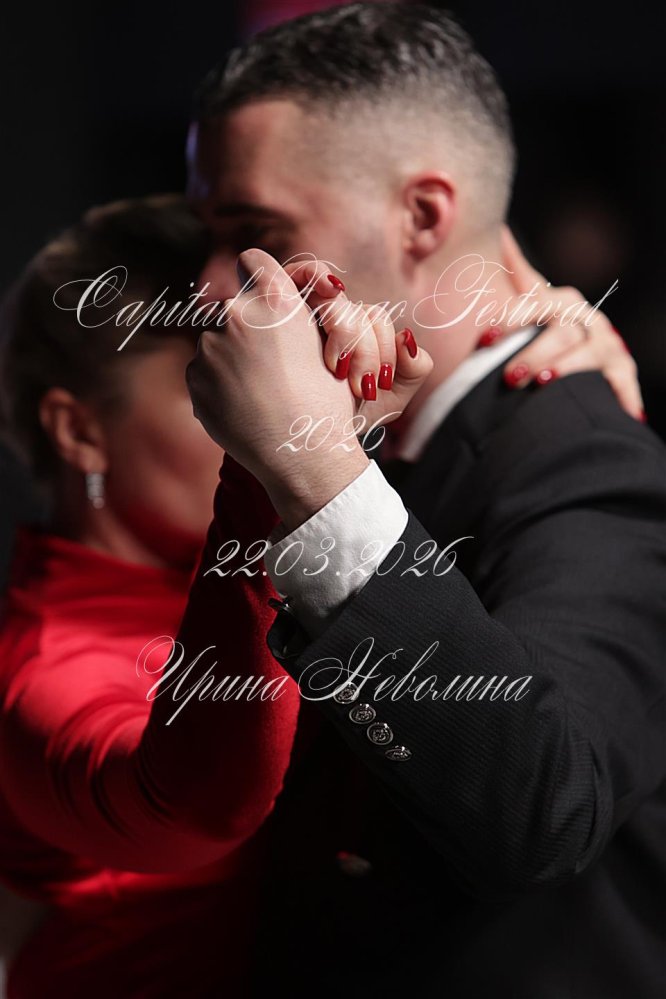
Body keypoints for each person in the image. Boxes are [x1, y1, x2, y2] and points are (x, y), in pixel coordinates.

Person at [184, 5, 666, 997]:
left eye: (257, 235)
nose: (208, 286)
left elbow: (546, 808)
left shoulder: (585, 454)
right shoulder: (374, 432)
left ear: (424, 216)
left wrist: (320, 474)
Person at [0, 195, 306, 998]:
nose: (249, 406)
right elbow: (198, 803)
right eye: (207, 385)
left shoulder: (208, 582)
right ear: (78, 431)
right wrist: (270, 466)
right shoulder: (49, 669)